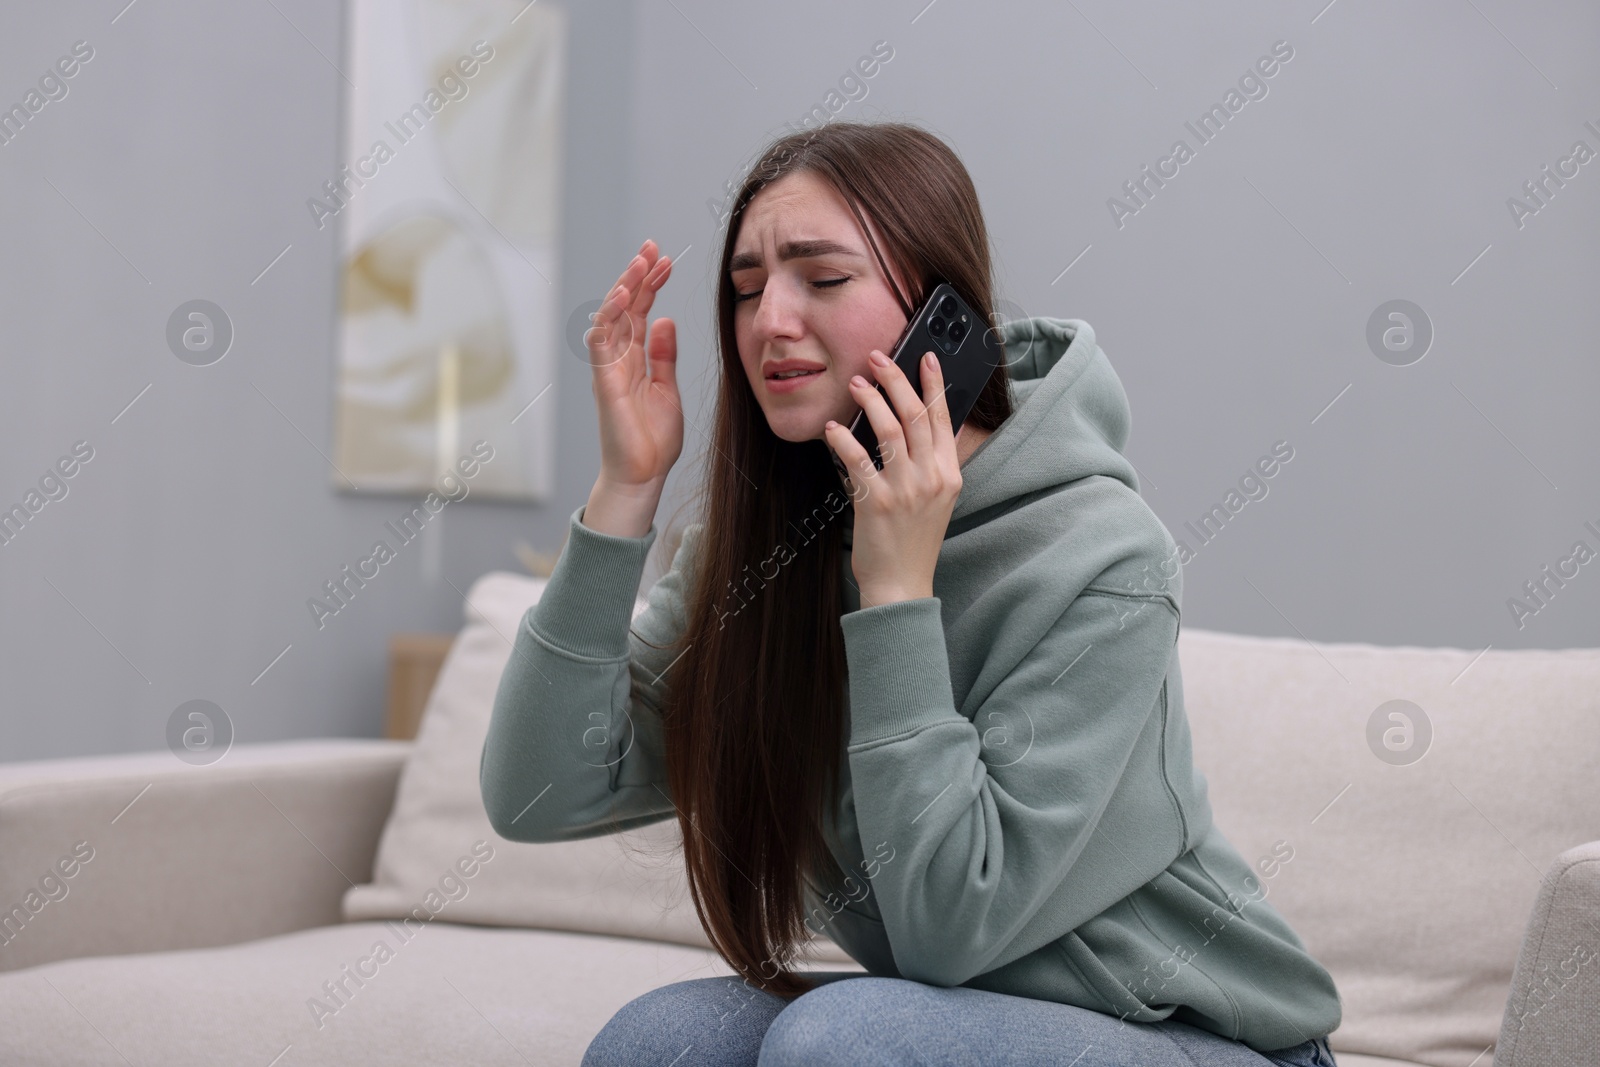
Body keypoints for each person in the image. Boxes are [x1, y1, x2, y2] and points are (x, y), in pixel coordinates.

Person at [479, 120, 1342, 1067]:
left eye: (824, 277)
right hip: (963, 1021)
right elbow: (538, 794)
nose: (771, 319)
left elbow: (947, 927)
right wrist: (624, 495)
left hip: (1196, 1037)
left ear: (944, 315)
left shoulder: (1101, 557)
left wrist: (896, 587)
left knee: (845, 1041)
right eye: (748, 288)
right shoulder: (772, 550)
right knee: (659, 1044)